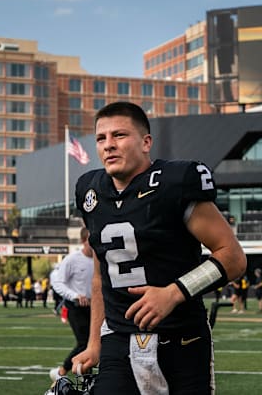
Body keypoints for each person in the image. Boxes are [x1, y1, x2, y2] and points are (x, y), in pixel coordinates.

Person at [70, 102, 247, 394]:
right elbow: (101, 276)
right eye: (101, 138)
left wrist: (173, 293)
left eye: (119, 135)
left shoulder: (175, 182)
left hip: (181, 339)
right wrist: (93, 344)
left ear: (146, 142)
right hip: (119, 339)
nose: (109, 145)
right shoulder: (90, 191)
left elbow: (233, 258)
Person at [50, 227, 94, 381]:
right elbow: (58, 283)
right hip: (75, 307)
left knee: (96, 343)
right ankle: (62, 371)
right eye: (91, 238)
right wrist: (75, 295)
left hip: (95, 308)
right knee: (84, 342)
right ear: (83, 241)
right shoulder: (72, 259)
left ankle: (85, 373)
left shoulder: (100, 260)